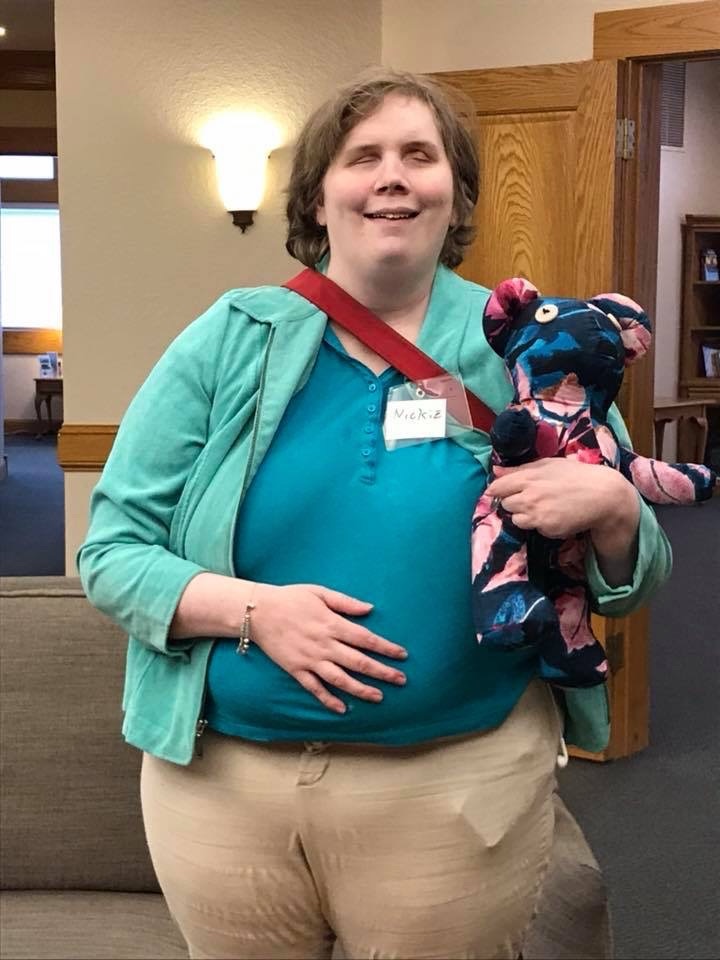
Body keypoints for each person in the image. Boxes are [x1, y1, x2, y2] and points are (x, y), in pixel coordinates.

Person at [78, 67, 671, 960]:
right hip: (223, 793)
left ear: (455, 192)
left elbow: (635, 581)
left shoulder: (537, 340)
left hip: (453, 790)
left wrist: (619, 508)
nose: (392, 176)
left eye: (419, 155)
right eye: (364, 157)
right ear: (320, 196)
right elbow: (111, 552)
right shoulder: (230, 337)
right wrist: (255, 610)